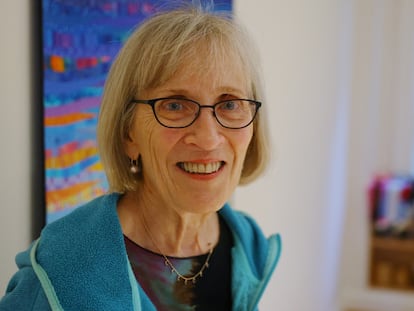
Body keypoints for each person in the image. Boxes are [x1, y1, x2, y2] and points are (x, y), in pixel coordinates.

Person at [0, 4, 281, 311]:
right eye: (175, 105)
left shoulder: (248, 247)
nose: (208, 138)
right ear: (128, 133)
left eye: (229, 104)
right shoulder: (59, 270)